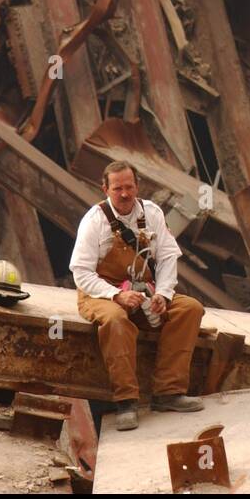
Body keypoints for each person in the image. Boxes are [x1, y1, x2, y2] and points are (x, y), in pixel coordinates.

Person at [69, 160, 205, 430]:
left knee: (190, 309)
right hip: (100, 293)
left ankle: (169, 392)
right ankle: (126, 402)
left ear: (137, 186)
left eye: (129, 187)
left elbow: (167, 258)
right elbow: (81, 272)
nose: (124, 194)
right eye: (117, 188)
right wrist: (115, 295)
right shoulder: (94, 220)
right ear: (105, 188)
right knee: (117, 321)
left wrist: (164, 295)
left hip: (144, 289)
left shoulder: (152, 213)